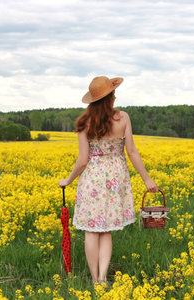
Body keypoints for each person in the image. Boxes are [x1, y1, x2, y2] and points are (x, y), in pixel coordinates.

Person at [58, 76, 158, 285]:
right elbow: (131, 151)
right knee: (106, 230)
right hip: (115, 179)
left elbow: (83, 160)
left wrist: (68, 180)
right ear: (110, 97)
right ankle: (103, 277)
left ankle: (94, 279)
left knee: (92, 231)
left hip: (92, 181)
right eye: (113, 93)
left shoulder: (84, 123)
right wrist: (147, 179)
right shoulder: (123, 118)